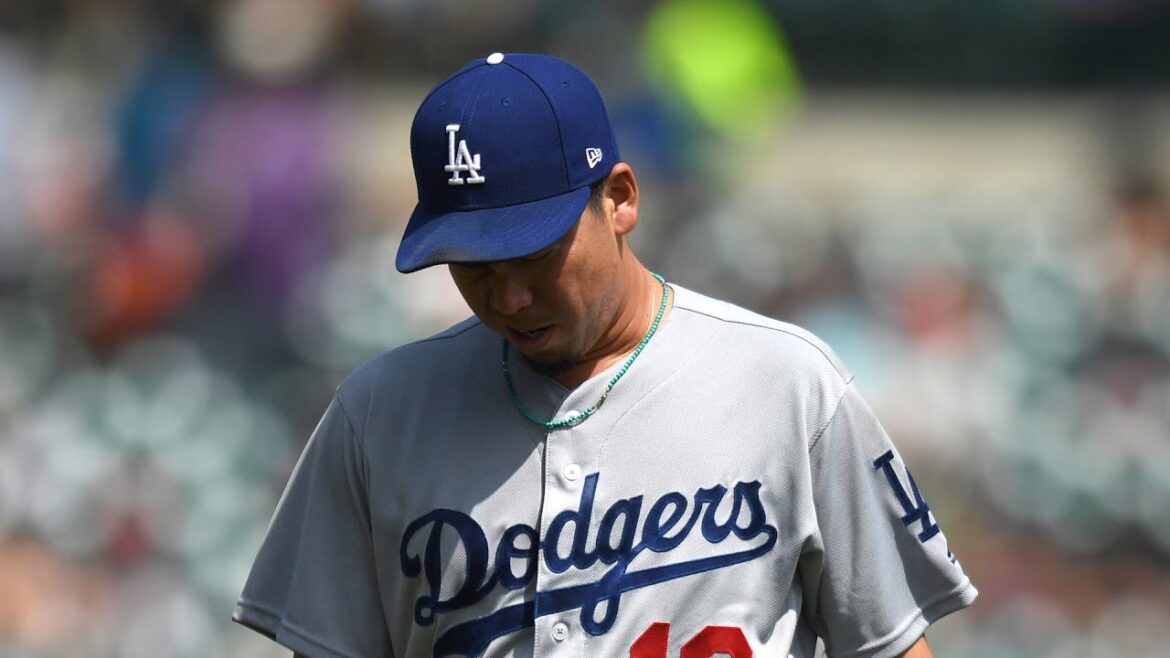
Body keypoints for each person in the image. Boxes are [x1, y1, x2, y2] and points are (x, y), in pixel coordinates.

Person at [232, 53, 977, 658]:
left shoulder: (788, 387)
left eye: (533, 254)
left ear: (618, 198)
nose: (510, 297)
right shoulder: (377, 415)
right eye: (475, 267)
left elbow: (889, 647)